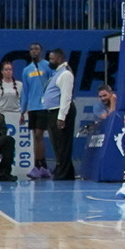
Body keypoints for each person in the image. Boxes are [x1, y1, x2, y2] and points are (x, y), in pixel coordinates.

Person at [21, 42, 54, 177]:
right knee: (35, 137)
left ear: (41, 51)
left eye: (36, 49)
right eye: (31, 49)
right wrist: (22, 111)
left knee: (39, 135)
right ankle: (42, 166)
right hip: (33, 108)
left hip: (44, 106)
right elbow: (25, 91)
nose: (34, 51)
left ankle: (39, 165)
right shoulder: (26, 70)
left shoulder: (47, 66)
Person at [42, 49, 76, 180]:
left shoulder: (66, 74)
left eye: (52, 59)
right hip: (53, 111)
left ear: (60, 59)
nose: (50, 61)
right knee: (57, 143)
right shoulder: (57, 73)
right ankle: (64, 170)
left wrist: (61, 117)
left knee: (63, 144)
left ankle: (64, 173)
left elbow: (66, 97)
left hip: (61, 111)